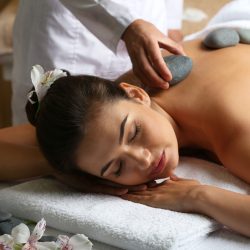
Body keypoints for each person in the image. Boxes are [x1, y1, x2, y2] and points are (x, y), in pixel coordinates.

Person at [1, 38, 250, 237]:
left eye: (134, 133)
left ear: (136, 94)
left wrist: (197, 196)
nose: (142, 160)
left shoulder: (236, 134)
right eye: (117, 167)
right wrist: (62, 169)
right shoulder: (102, 110)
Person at [12, 0, 184, 124]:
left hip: (148, 19)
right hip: (67, 33)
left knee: (133, 128)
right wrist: (126, 26)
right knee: (47, 135)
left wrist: (173, 21)